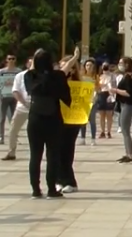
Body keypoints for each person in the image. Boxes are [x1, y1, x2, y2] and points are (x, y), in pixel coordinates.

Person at [25, 49, 71, 198]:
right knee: (53, 155)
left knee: (35, 155)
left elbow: (30, 90)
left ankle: (35, 189)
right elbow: (65, 95)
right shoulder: (58, 76)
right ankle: (52, 188)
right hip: (53, 118)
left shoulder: (30, 76)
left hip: (35, 118)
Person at [57, 53, 82, 193]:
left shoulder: (79, 84)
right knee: (57, 150)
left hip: (73, 120)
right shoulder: (57, 81)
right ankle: (60, 180)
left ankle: (69, 181)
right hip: (58, 118)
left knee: (67, 149)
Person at [2, 58, 32, 161]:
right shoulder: (20, 75)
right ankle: (11, 152)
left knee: (37, 132)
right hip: (22, 108)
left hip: (37, 108)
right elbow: (15, 91)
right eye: (30, 63)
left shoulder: (42, 75)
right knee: (13, 130)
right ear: (27, 64)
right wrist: (24, 102)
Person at [111, 57, 132, 163]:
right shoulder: (126, 76)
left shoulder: (129, 77)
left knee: (125, 130)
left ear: (127, 64)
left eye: (121, 63)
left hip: (128, 105)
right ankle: (128, 153)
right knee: (124, 130)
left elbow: (128, 93)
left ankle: (130, 155)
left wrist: (115, 90)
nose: (119, 65)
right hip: (123, 105)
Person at [0, 54, 22, 145]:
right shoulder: (1, 71)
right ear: (6, 60)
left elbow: (21, 84)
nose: (11, 60)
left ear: (15, 60)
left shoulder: (18, 71)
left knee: (14, 119)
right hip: (3, 96)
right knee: (2, 118)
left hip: (14, 97)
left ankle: (14, 137)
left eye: (13, 58)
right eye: (9, 58)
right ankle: (1, 137)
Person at [78, 59, 100, 146]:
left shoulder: (96, 77)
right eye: (87, 65)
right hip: (83, 101)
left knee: (92, 121)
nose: (89, 67)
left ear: (93, 67)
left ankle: (93, 139)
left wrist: (95, 93)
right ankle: (82, 138)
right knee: (83, 121)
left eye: (90, 65)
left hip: (92, 101)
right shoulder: (82, 76)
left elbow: (98, 89)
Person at [97, 64, 116, 139]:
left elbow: (114, 85)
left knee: (109, 114)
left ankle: (108, 132)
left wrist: (113, 93)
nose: (105, 68)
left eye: (106, 67)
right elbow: (97, 86)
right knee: (102, 114)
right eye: (104, 67)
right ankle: (102, 131)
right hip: (101, 94)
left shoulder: (112, 76)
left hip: (109, 94)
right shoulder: (100, 76)